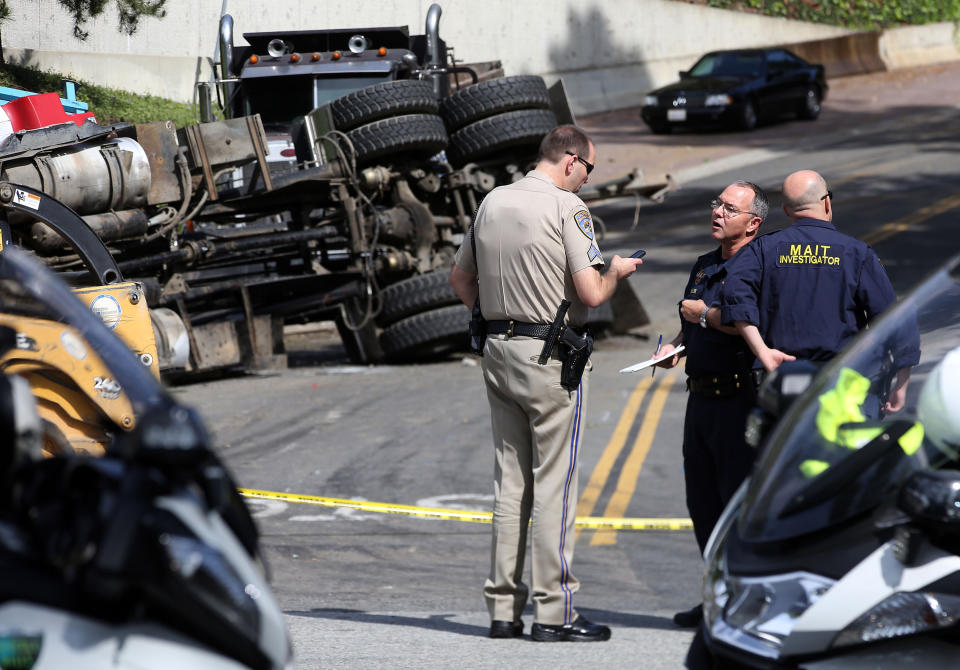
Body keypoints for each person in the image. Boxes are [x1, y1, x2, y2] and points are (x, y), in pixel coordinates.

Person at [448, 125, 643, 642]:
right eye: (589, 169)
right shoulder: (566, 208)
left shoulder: (492, 201)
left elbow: (460, 279)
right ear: (572, 161)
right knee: (554, 484)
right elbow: (592, 293)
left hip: (496, 349)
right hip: (549, 357)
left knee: (510, 483)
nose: (585, 179)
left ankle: (502, 610)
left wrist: (492, 318)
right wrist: (617, 270)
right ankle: (554, 613)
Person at [653, 180, 769, 628]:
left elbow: (749, 323)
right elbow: (692, 326)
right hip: (699, 398)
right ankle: (717, 599)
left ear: (753, 223)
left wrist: (701, 315)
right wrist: (675, 349)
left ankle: (745, 603)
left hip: (740, 400)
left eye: (729, 208)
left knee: (736, 505)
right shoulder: (704, 265)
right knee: (702, 503)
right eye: (716, 204)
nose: (717, 212)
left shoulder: (759, 265)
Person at [721, 170, 912, 412]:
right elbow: (893, 319)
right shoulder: (856, 253)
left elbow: (734, 298)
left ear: (787, 210)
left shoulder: (762, 250)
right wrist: (901, 384)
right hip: (840, 383)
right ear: (827, 202)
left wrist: (763, 353)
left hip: (781, 384)